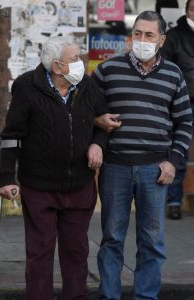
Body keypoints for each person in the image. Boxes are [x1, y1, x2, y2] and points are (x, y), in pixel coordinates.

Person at [0, 36, 110, 300]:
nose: (81, 63)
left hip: (79, 185)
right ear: (57, 67)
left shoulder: (87, 85)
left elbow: (103, 123)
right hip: (39, 186)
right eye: (75, 59)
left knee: (76, 251)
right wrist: (6, 178)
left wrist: (97, 144)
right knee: (40, 252)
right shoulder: (26, 86)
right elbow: (11, 135)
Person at [92, 11, 193, 300]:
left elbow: (184, 121)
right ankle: (109, 296)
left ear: (161, 40)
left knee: (152, 242)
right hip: (115, 168)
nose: (142, 40)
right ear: (130, 36)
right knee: (111, 239)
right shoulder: (107, 70)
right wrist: (98, 121)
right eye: (137, 34)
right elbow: (86, 107)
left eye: (149, 35)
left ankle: (146, 297)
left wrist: (173, 161)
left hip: (155, 171)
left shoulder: (174, 74)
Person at [161, 0, 194, 220]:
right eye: (193, 8)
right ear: (187, 10)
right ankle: (174, 201)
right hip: (184, 98)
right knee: (179, 151)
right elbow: (165, 67)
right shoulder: (174, 35)